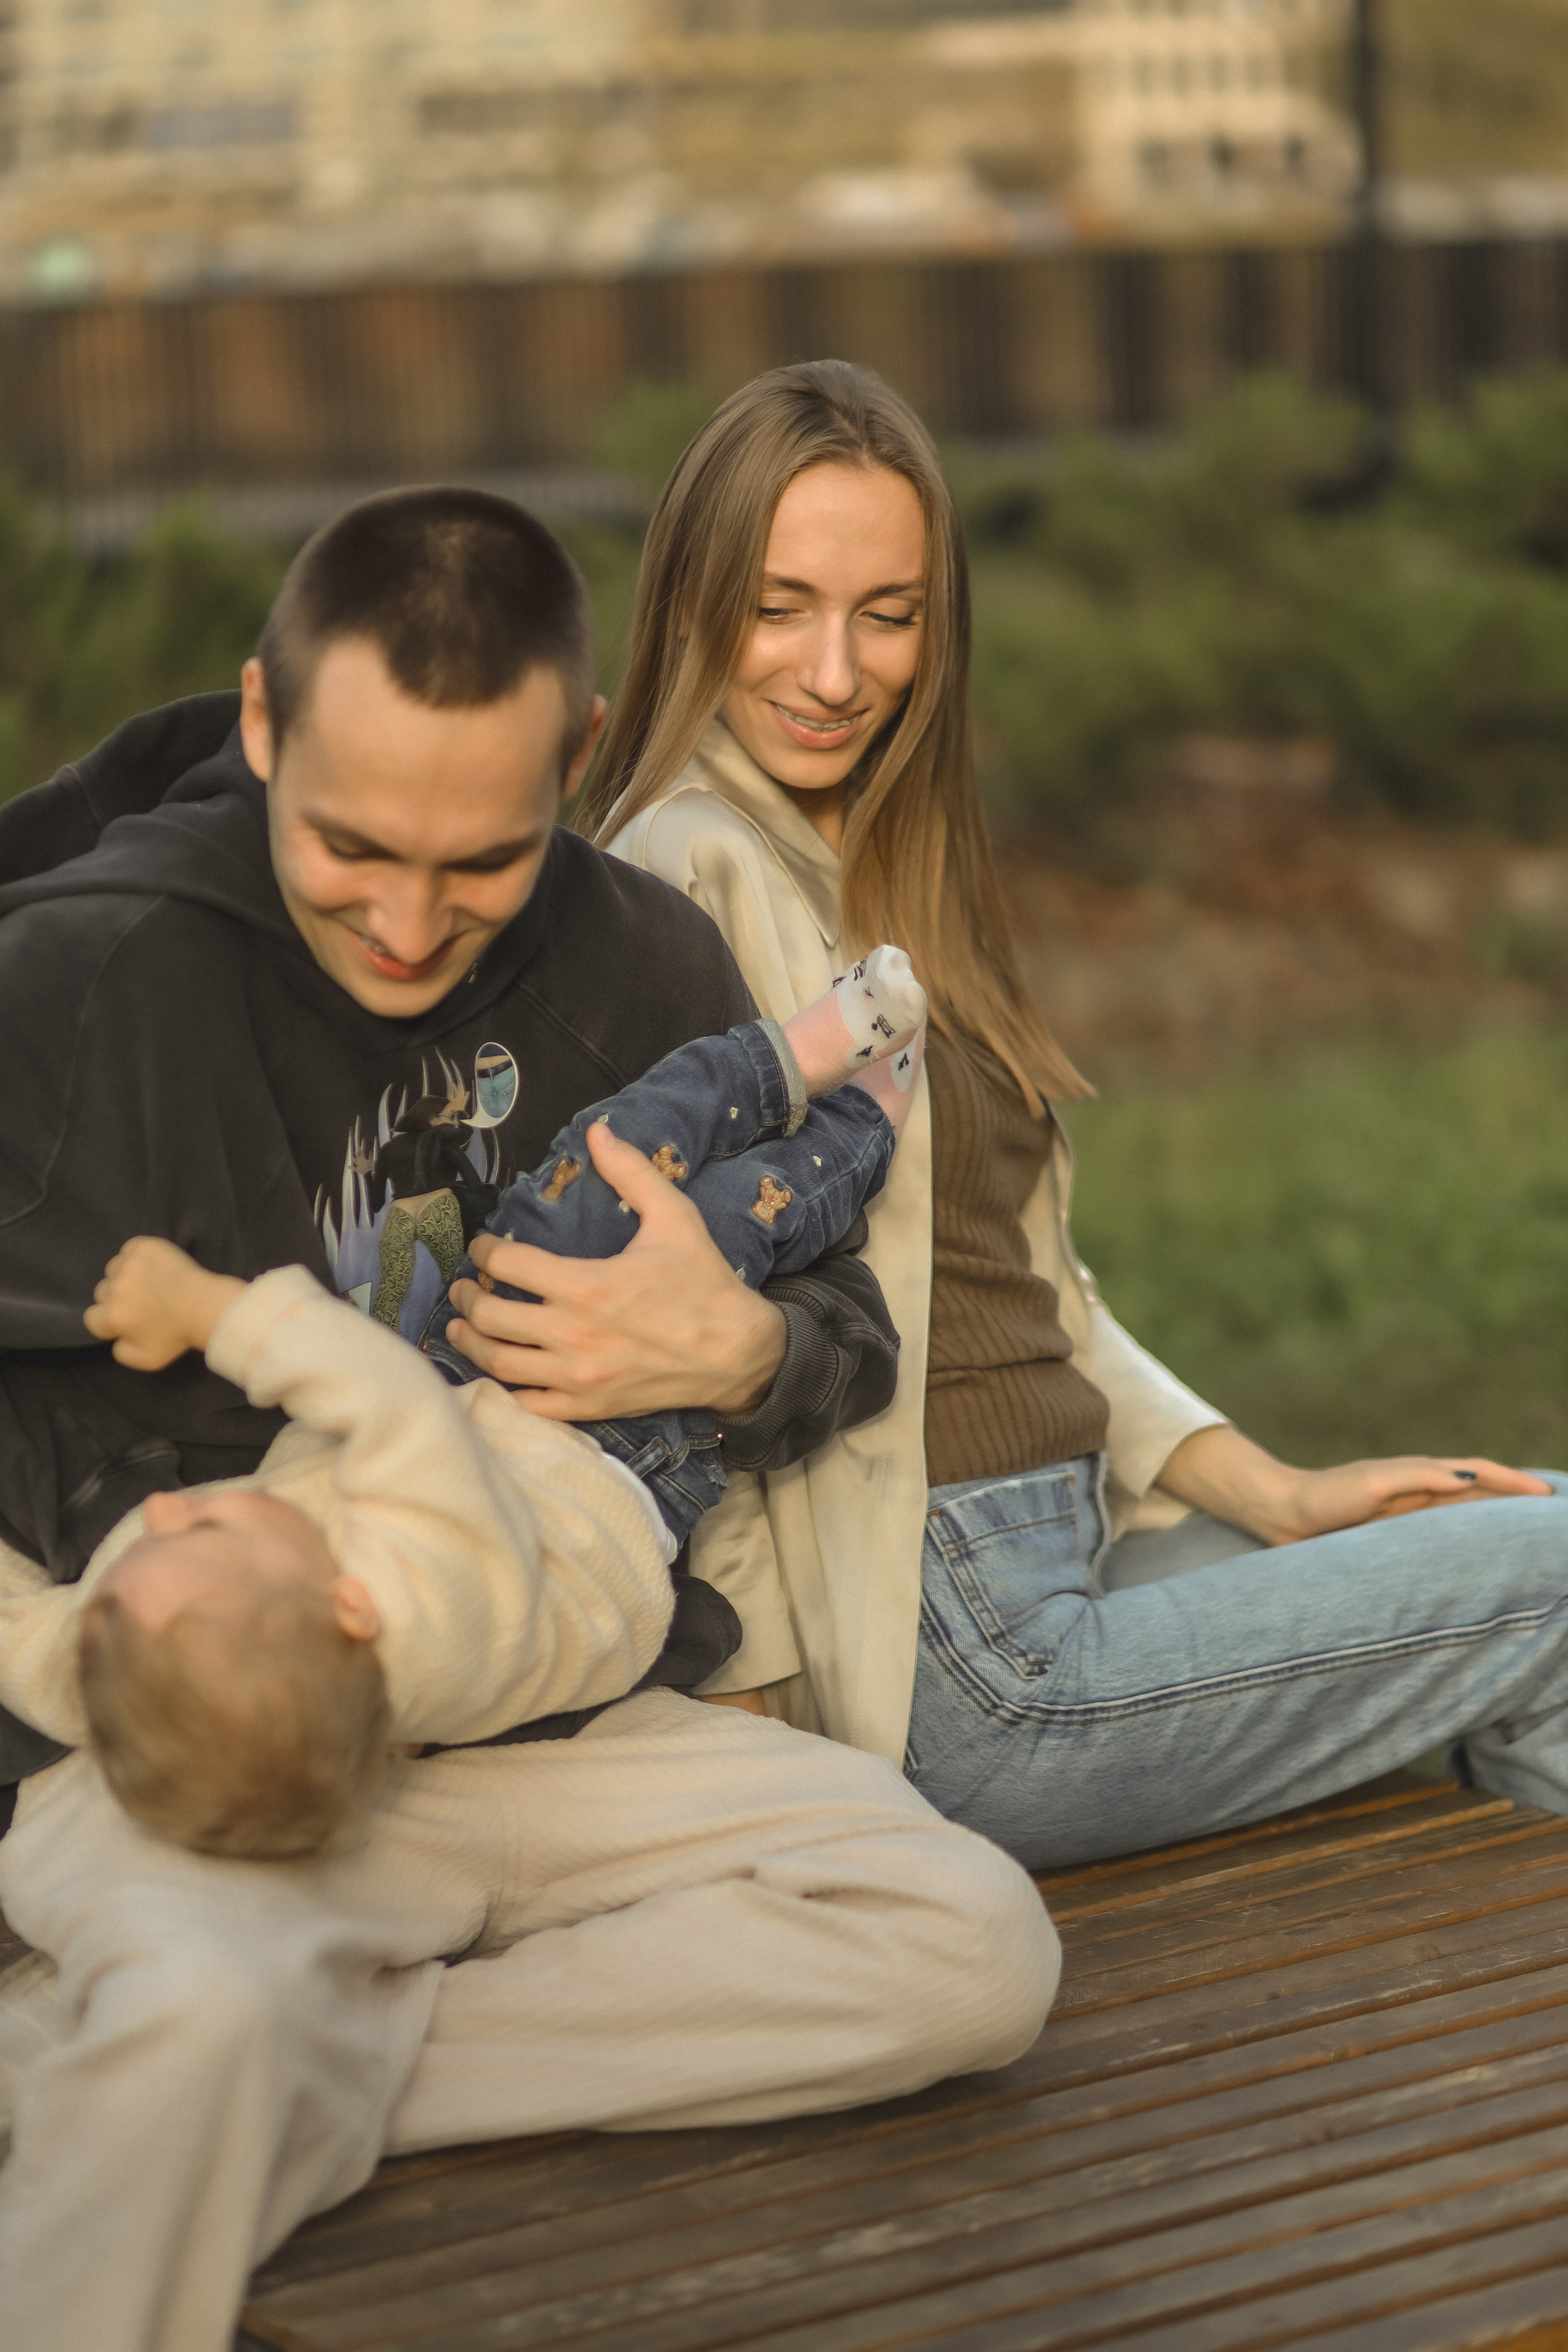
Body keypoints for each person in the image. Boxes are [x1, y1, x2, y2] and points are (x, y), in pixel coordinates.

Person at [0, 482, 1060, 2352]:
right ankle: (231, 2036)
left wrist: (740, 1351)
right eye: (349, 848)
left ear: (578, 755)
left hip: (555, 1715)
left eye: (480, 864)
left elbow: (844, 1333)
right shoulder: (74, 983)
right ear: (262, 725)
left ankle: (316, 2062)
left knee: (966, 1948)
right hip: (223, 1744)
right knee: (204, 2013)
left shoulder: (646, 962)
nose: (407, 923)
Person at [564, 356, 1568, 1869]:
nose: (834, 673)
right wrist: (751, 1700)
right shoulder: (687, 865)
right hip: (953, 1658)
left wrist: (1273, 1491)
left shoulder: (882, 861)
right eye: (779, 608)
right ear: (692, 604)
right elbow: (683, 1328)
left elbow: (1028, 1289)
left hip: (1060, 1548)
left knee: (1528, 1515)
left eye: (887, 614)